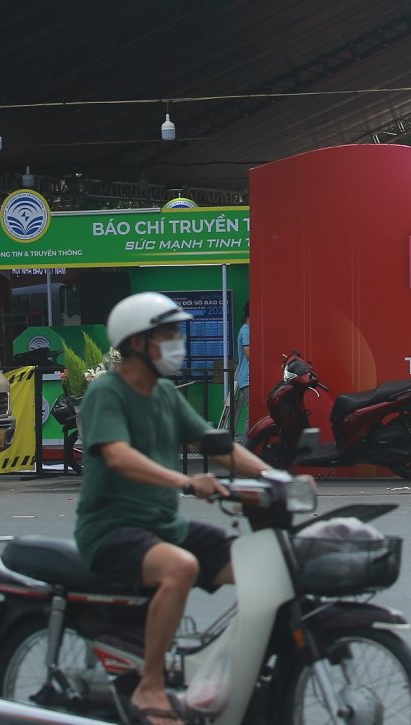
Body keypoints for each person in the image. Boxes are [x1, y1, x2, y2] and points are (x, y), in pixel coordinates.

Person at [76, 292, 272, 723]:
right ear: (138, 343)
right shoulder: (107, 393)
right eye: (167, 335)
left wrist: (276, 478)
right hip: (111, 530)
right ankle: (150, 686)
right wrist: (185, 481)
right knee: (180, 568)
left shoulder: (164, 393)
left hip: (163, 525)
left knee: (261, 570)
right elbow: (118, 455)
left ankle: (231, 675)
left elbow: (215, 445)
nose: (177, 344)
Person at [233, 299, 252, 434]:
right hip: (248, 379)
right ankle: (248, 448)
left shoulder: (246, 330)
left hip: (246, 378)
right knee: (251, 416)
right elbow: (248, 352)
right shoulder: (246, 330)